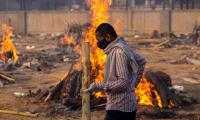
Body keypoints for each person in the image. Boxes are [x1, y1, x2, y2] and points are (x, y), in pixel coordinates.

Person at [83, 23, 146, 120]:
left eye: (99, 40)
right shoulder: (123, 46)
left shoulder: (118, 52)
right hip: (126, 106)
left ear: (108, 37)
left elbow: (123, 83)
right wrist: (133, 83)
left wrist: (97, 86)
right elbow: (141, 61)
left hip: (119, 108)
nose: (99, 44)